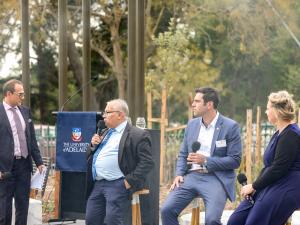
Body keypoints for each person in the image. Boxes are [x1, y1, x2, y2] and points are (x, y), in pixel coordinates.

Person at [161, 87, 242, 225]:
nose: (193, 104)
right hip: (191, 176)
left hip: (216, 178)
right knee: (166, 210)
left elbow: (235, 160)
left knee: (212, 221)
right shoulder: (192, 125)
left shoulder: (230, 126)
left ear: (209, 104)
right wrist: (179, 174)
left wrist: (206, 160)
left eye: (197, 101)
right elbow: (183, 154)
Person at [227, 90, 300, 225]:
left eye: (268, 109)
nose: (266, 112)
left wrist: (254, 186)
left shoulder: (291, 134)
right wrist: (254, 187)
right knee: (235, 221)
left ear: (277, 112)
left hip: (288, 186)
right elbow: (271, 168)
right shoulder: (279, 132)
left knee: (254, 222)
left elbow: (279, 168)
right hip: (272, 183)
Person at [85, 99, 154, 225]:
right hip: (98, 183)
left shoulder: (137, 134)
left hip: (118, 183)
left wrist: (128, 182)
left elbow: (147, 163)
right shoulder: (105, 132)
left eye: (107, 112)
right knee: (91, 220)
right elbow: (89, 157)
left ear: (120, 115)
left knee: (112, 221)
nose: (103, 115)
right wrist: (92, 146)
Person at [0, 79, 44, 225]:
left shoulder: (25, 111)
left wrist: (39, 162)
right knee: (4, 209)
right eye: (20, 94)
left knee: (22, 206)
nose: (22, 97)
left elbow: (31, 139)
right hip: (5, 168)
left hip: (24, 166)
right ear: (8, 94)